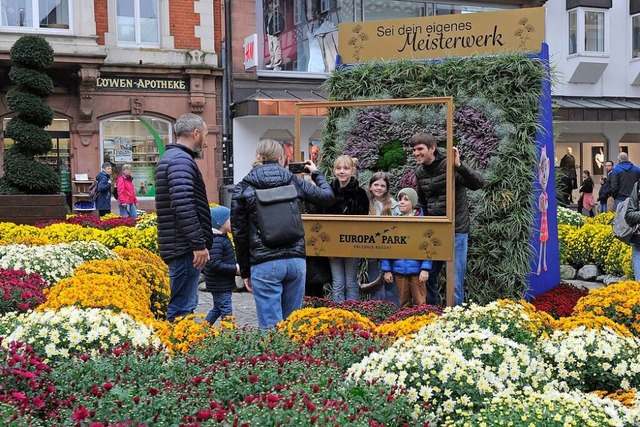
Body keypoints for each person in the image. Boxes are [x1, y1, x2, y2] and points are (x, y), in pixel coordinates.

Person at [231, 139, 335, 329]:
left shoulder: (244, 187)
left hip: (264, 261)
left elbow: (240, 233)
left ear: (258, 157)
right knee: (292, 325)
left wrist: (245, 270)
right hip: (295, 260)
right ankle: (293, 357)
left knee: (271, 328)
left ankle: (275, 357)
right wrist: (316, 173)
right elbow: (327, 197)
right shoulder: (293, 180)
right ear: (281, 158)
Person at [411, 132, 484, 306]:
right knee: (426, 275)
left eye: (420, 149)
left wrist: (459, 166)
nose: (415, 153)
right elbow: (422, 200)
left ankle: (455, 320)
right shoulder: (419, 171)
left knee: (454, 282)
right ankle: (433, 313)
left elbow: (478, 183)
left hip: (455, 230)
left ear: (432, 148)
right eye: (413, 150)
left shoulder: (450, 164)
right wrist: (416, 213)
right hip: (434, 231)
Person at [155, 113, 213, 322]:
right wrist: (198, 244)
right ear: (196, 134)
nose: (206, 143)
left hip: (179, 243)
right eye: (205, 136)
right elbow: (184, 205)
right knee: (182, 308)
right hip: (184, 246)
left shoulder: (172, 158)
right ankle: (176, 350)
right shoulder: (181, 161)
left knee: (182, 304)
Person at [325, 155, 369, 302]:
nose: (342, 171)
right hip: (333, 243)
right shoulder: (328, 191)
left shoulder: (360, 193)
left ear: (353, 170)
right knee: (337, 282)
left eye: (345, 168)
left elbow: (362, 221)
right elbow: (324, 220)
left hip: (352, 242)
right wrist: (329, 245)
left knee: (350, 281)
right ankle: (339, 315)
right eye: (338, 168)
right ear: (334, 170)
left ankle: (352, 313)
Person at [381, 188, 431, 309]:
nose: (401, 202)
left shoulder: (422, 222)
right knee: (403, 304)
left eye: (406, 199)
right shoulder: (393, 222)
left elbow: (428, 247)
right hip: (399, 270)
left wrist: (425, 268)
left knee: (420, 303)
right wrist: (387, 269)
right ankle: (405, 326)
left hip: (417, 271)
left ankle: (422, 325)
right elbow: (387, 246)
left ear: (413, 203)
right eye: (400, 199)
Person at [366, 171, 401, 307]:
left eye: (382, 185)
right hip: (372, 250)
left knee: (391, 284)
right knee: (375, 283)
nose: (379, 188)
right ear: (370, 186)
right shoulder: (367, 203)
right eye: (376, 185)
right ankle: (377, 311)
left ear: (386, 188)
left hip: (390, 250)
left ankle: (393, 311)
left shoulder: (393, 204)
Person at [203, 206, 239, 325]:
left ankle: (202, 329)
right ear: (220, 223)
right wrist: (234, 269)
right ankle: (230, 335)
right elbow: (215, 264)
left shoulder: (221, 238)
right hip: (219, 284)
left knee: (218, 308)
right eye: (230, 219)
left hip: (221, 283)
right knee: (226, 309)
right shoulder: (216, 241)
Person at [264, 0, 284, 71]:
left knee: (276, 48)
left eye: (271, 4)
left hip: (275, 34)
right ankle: (273, 62)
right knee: (271, 49)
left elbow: (281, 24)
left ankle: (277, 65)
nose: (270, 6)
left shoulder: (277, 14)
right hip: (269, 34)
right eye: (269, 4)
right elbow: (267, 23)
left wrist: (278, 32)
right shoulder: (268, 14)